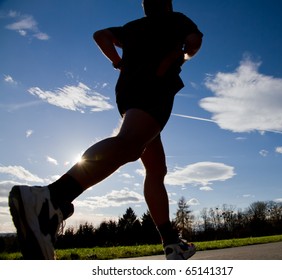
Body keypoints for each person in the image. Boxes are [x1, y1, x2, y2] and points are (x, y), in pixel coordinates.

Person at [8, 0, 203, 260]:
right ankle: (51, 197)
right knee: (132, 144)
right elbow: (193, 42)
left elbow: (101, 35)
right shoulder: (176, 19)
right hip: (156, 83)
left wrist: (118, 61)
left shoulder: (133, 26)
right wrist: (180, 55)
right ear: (166, 3)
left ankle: (171, 242)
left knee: (156, 167)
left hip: (128, 89)